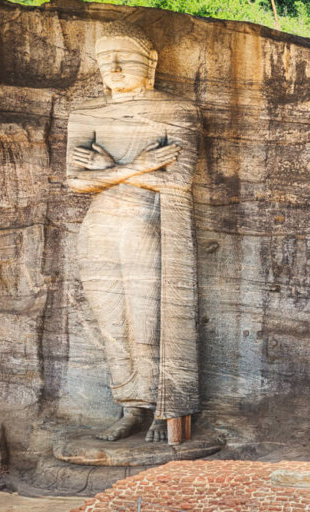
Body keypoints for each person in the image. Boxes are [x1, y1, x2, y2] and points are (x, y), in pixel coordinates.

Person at [66, 21, 200, 443]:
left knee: (148, 323)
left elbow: (177, 182)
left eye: (125, 57)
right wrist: (139, 165)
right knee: (112, 325)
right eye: (106, 59)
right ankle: (131, 407)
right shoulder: (87, 114)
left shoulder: (177, 112)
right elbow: (76, 180)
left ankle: (164, 408)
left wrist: (106, 170)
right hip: (99, 229)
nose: (116, 66)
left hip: (147, 225)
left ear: (153, 62)